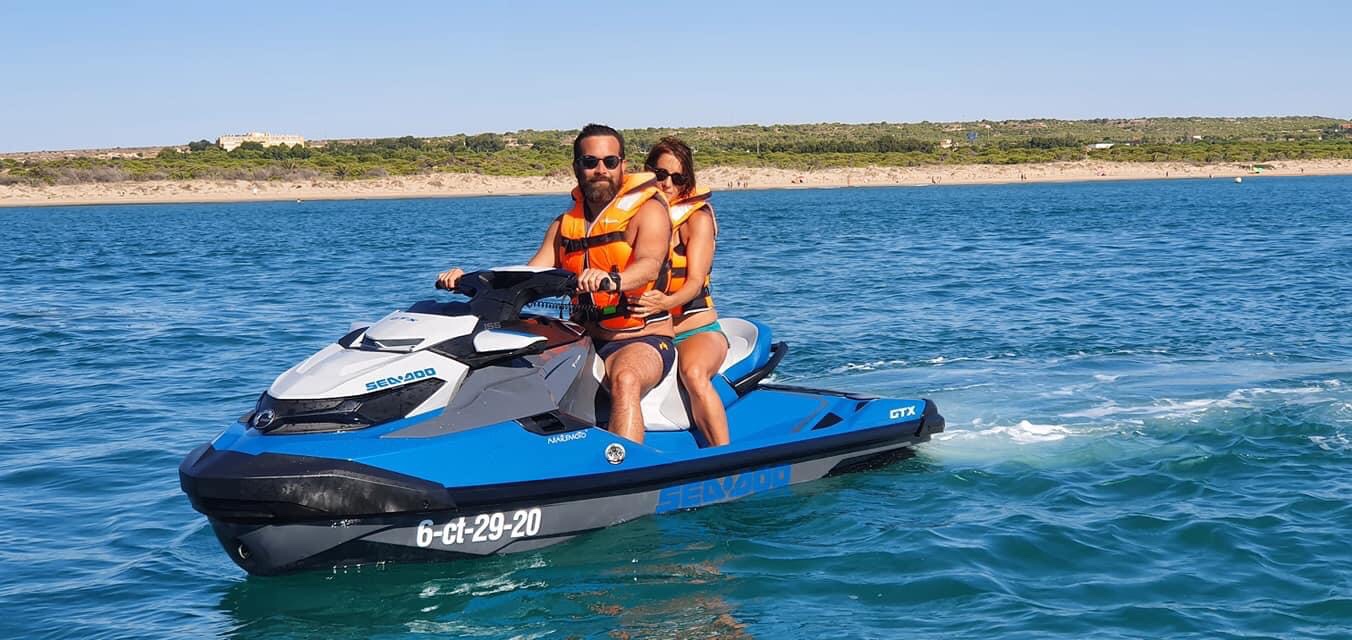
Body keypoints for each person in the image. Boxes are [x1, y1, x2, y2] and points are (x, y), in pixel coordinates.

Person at [436, 124, 674, 444]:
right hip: (581, 334)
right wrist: (468, 280)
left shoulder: (648, 212)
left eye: (610, 161)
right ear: (577, 167)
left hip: (639, 338)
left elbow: (648, 265)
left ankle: (625, 463)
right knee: (505, 362)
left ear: (623, 165)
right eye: (590, 162)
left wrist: (611, 280)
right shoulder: (564, 225)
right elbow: (529, 274)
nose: (600, 170)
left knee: (626, 380)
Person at [632, 137, 730, 447]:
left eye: (678, 178)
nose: (668, 184)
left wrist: (666, 302)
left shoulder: (696, 219)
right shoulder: (634, 216)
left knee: (694, 374)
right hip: (646, 332)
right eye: (661, 174)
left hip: (695, 330)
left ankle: (725, 457)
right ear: (648, 171)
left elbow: (695, 281)